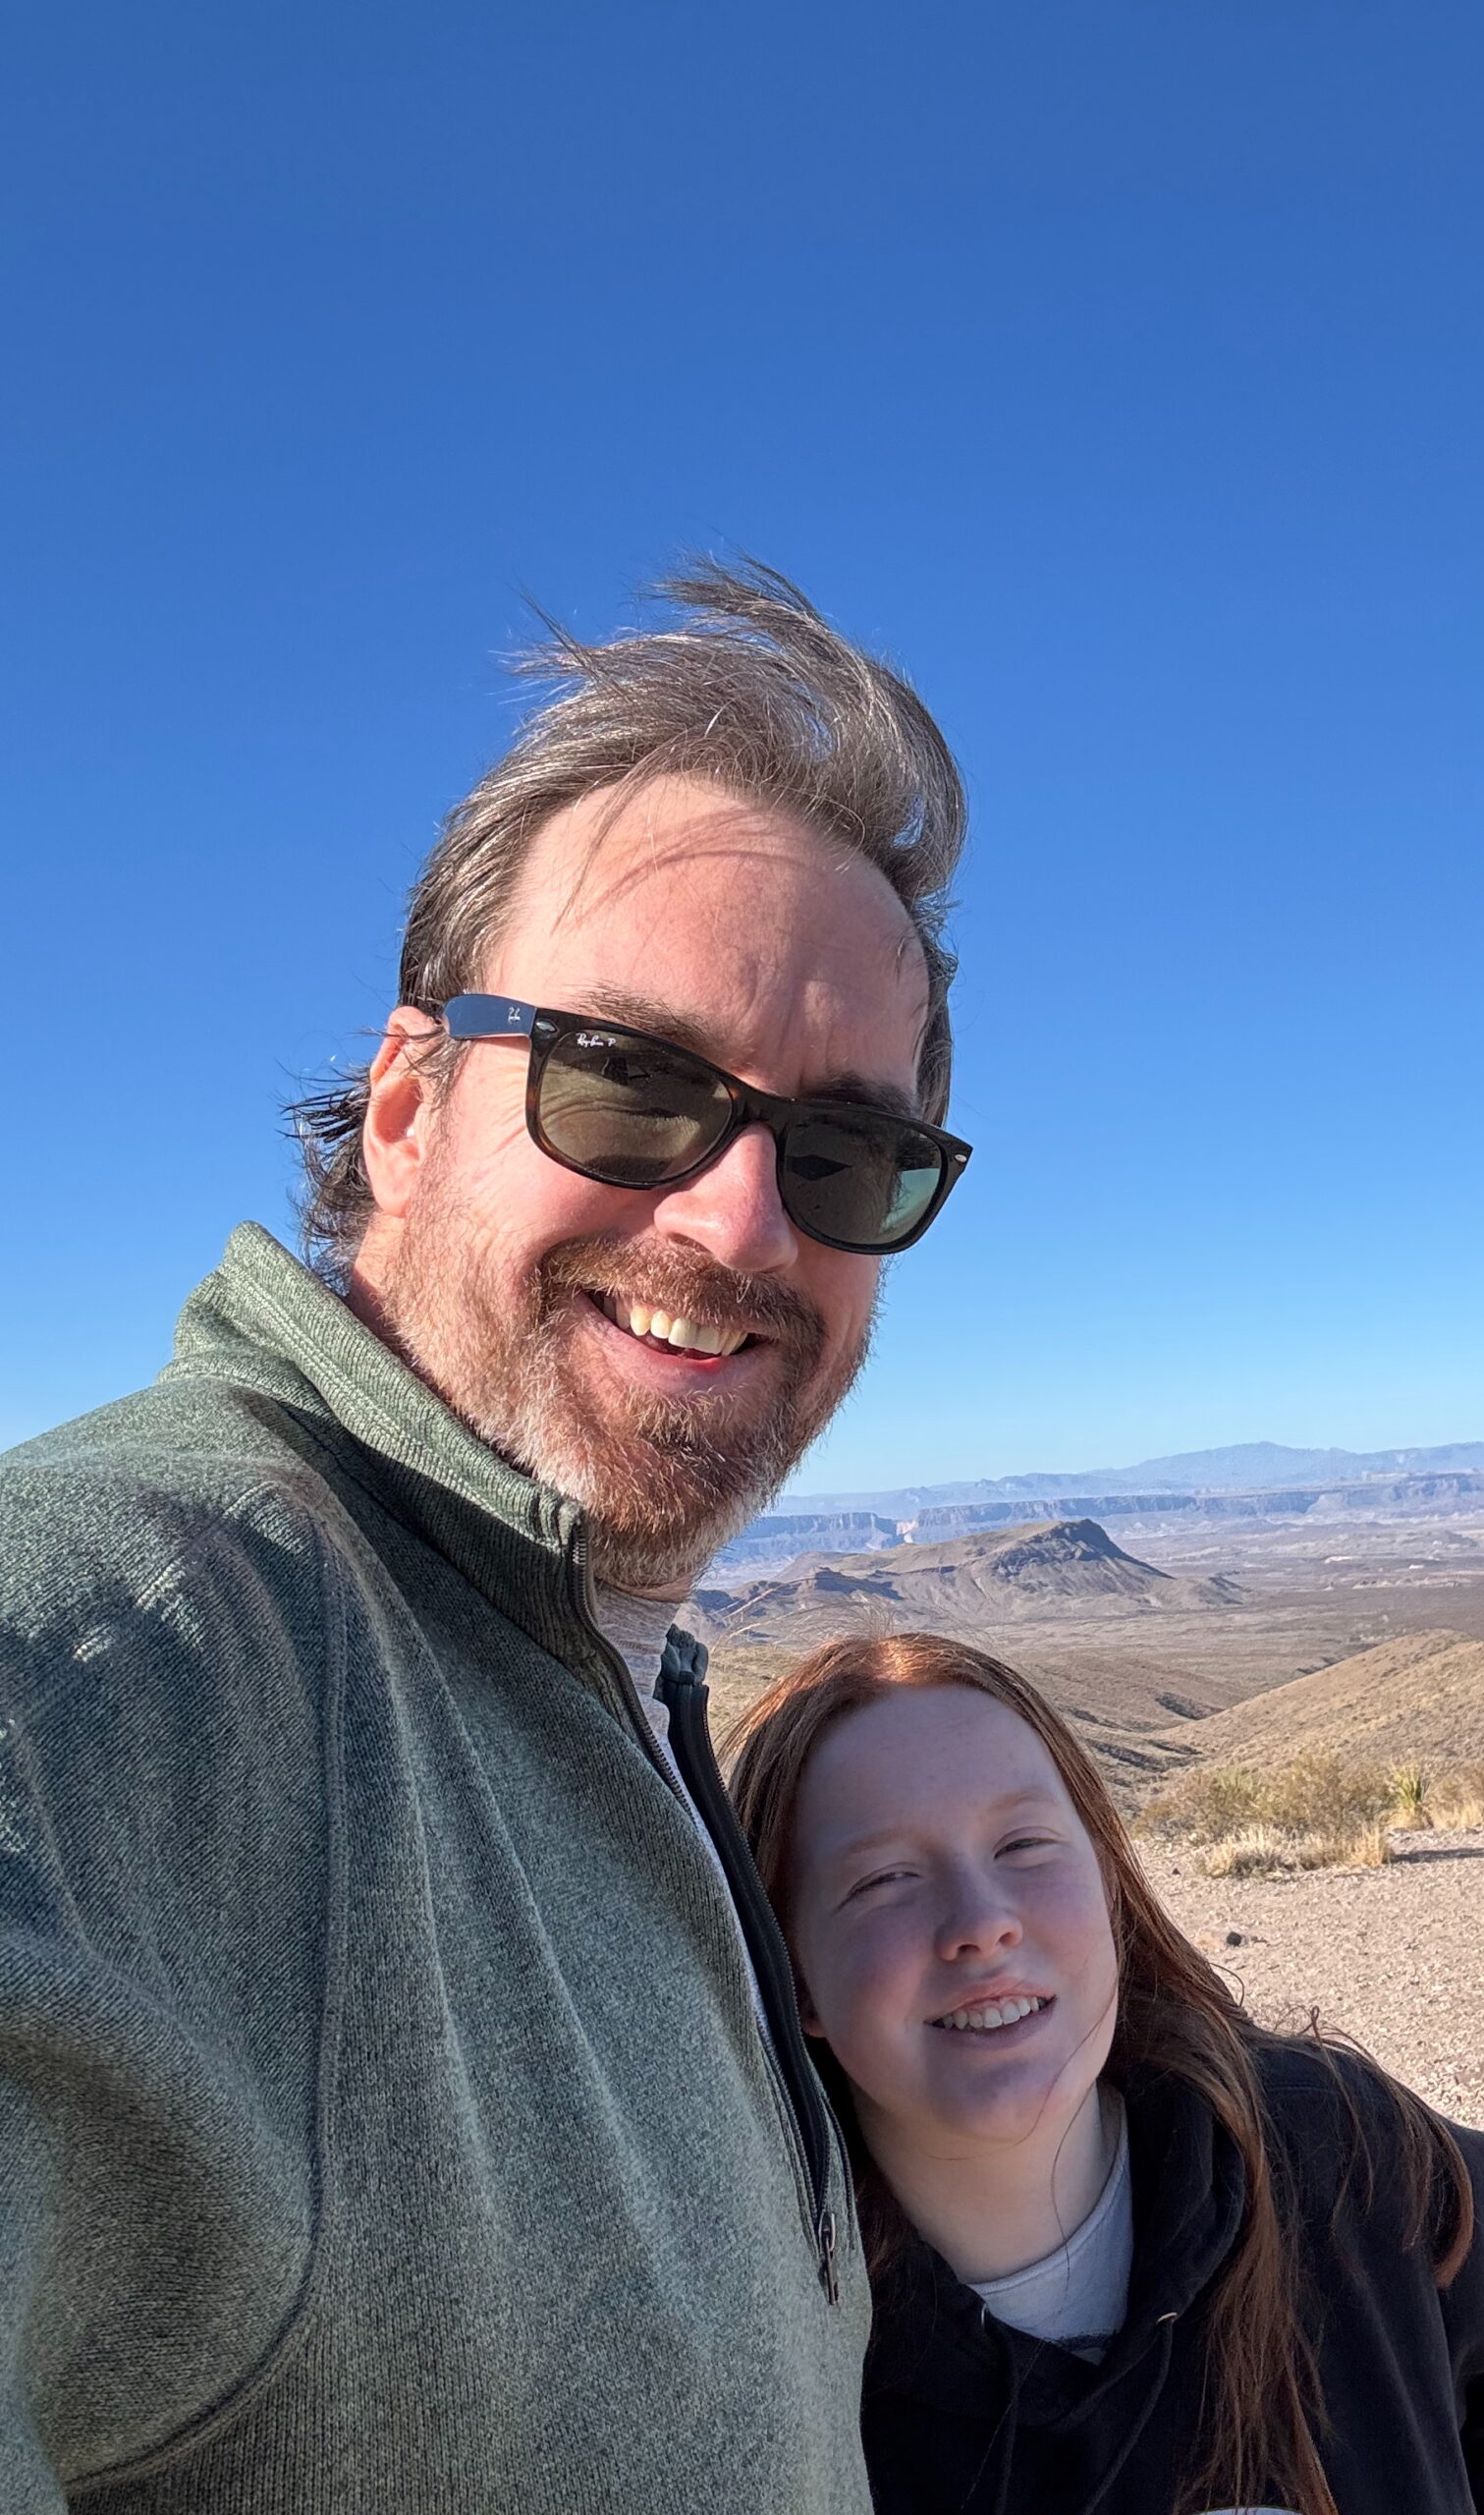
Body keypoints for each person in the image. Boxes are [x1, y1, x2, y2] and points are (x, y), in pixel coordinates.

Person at [0, 564, 973, 2512]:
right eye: (629, 1080)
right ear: (407, 1102)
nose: (740, 1225)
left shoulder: (607, 1675)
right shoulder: (139, 1658)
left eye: (842, 1151)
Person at [727, 1633, 1484, 2515]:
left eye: (1024, 1846)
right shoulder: (763, 2367)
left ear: (1108, 1889)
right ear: (791, 1973)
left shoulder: (1349, 2165)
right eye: (883, 1879)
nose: (982, 1920)